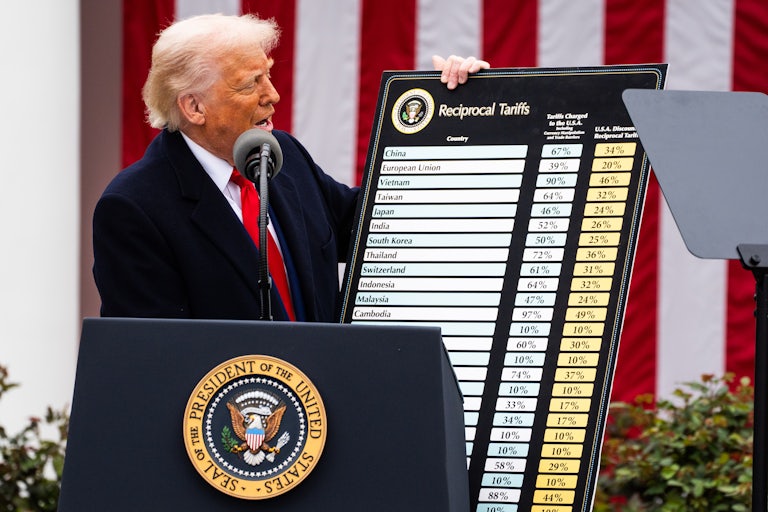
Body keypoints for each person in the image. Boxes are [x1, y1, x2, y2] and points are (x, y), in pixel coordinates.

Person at [92, 13, 489, 322]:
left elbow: (375, 227)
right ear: (194, 107)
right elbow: (152, 358)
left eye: (269, 74)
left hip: (328, 410)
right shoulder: (133, 208)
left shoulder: (283, 156)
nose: (273, 95)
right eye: (251, 84)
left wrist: (454, 117)